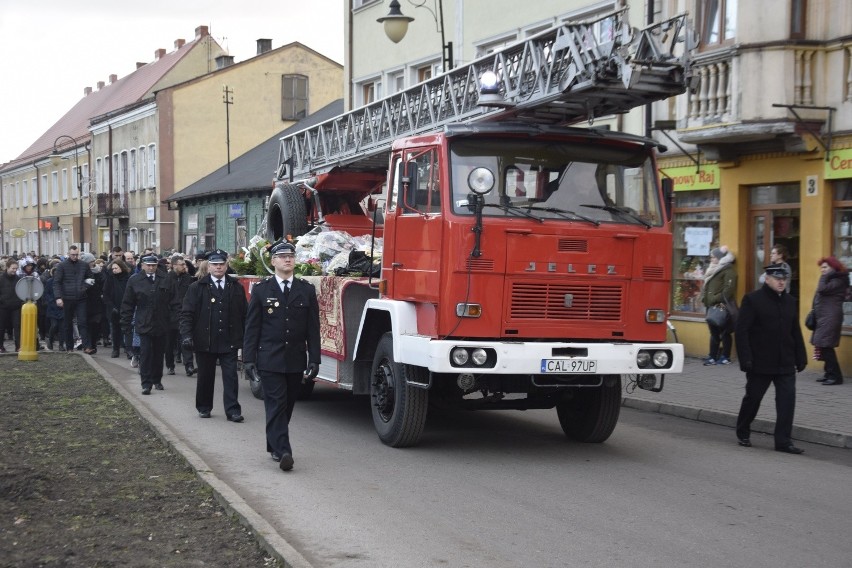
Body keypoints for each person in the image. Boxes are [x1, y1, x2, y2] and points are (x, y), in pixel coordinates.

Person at [243, 241, 320, 471]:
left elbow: (312, 328)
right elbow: (252, 328)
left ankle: (274, 443)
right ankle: (284, 450)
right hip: (270, 359)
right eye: (283, 256)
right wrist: (248, 359)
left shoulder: (305, 290)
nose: (288, 259)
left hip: (295, 359)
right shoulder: (261, 290)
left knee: (287, 406)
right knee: (276, 403)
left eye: (291, 256)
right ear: (273, 261)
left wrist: (314, 359)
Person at [735, 263, 807, 454]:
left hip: (785, 361)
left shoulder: (791, 301)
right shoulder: (753, 300)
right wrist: (746, 359)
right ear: (767, 279)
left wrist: (801, 356)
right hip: (760, 362)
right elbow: (742, 331)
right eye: (777, 279)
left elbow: (795, 331)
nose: (781, 282)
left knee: (786, 402)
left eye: (784, 279)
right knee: (753, 398)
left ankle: (783, 442)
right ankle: (743, 431)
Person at [180, 249, 248, 421]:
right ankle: (204, 407)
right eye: (215, 264)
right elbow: (187, 314)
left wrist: (246, 338)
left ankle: (233, 410)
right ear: (208, 267)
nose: (218, 267)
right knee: (205, 376)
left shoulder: (236, 287)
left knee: (231, 377)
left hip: (229, 339)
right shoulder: (197, 287)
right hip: (205, 340)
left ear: (226, 266)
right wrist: (186, 335)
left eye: (221, 264)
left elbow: (244, 314)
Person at [120, 254, 180, 395]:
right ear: (142, 265)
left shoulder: (166, 279)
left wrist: (174, 320)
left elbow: (175, 301)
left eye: (153, 265)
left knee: (159, 353)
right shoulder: (135, 280)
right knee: (146, 353)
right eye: (148, 265)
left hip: (162, 321)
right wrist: (125, 322)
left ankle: (157, 379)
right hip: (144, 321)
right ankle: (146, 383)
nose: (151, 268)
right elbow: (127, 303)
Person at [810, 256, 848, 386]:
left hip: (831, 317)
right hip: (824, 317)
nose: (822, 270)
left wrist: (825, 276)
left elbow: (822, 290)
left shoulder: (838, 281)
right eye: (821, 267)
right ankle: (828, 373)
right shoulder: (831, 279)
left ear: (833, 268)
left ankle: (836, 377)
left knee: (826, 346)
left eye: (825, 267)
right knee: (823, 345)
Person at [701, 245, 737, 365]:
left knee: (725, 332)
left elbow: (728, 290)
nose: (711, 259)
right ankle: (712, 356)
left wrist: (714, 298)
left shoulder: (728, 271)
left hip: (722, 306)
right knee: (714, 331)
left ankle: (725, 356)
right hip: (711, 305)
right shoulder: (713, 269)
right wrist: (705, 298)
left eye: (713, 257)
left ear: (720, 258)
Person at [53, 245, 94, 353]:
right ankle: (70, 347)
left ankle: (86, 346)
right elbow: (56, 282)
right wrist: (58, 297)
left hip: (81, 297)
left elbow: (91, 278)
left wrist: (85, 288)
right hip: (67, 297)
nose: (75, 257)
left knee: (83, 322)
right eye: (73, 255)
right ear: (68, 254)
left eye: (76, 255)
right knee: (67, 323)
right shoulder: (62, 266)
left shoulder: (84, 265)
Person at [168, 254, 196, 375]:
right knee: (169, 342)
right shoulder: (167, 279)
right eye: (182, 264)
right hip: (170, 315)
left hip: (185, 314)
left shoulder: (188, 278)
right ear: (174, 266)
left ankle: (189, 366)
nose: (184, 266)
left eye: (184, 264)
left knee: (186, 340)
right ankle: (170, 365)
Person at [103, 259, 131, 358]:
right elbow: (106, 294)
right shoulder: (110, 278)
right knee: (115, 330)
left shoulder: (128, 278)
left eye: (116, 268)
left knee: (127, 329)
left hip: (126, 307)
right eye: (113, 268)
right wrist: (111, 306)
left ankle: (128, 350)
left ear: (121, 268)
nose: (114, 270)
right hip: (113, 308)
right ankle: (115, 349)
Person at [0, 259, 23, 352]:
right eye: (13, 268)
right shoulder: (1, 279)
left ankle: (18, 346)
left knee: (17, 327)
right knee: (1, 327)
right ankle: (1, 346)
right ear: (7, 268)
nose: (15, 270)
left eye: (16, 269)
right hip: (3, 306)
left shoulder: (18, 279)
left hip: (16, 307)